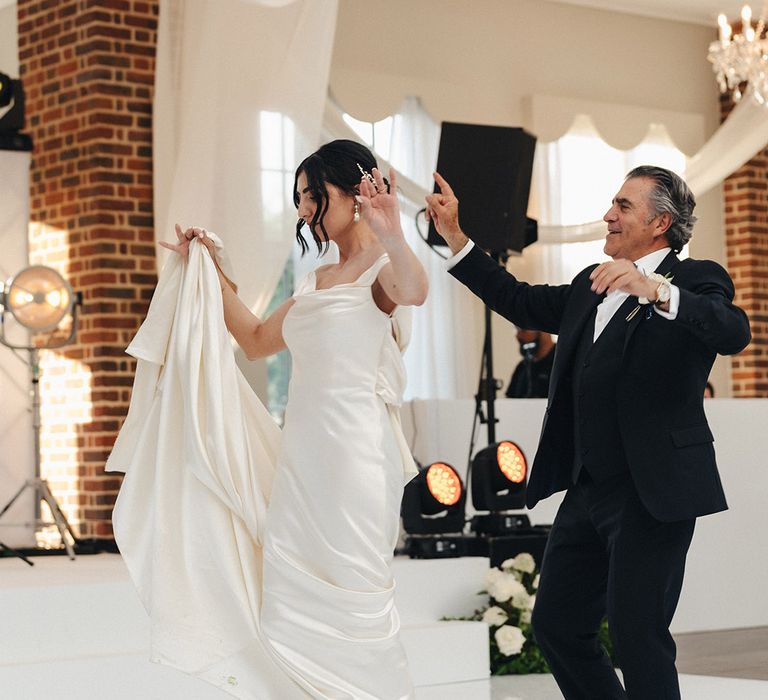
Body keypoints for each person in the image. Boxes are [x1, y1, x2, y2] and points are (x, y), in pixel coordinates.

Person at [113, 140, 428, 700]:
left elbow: (415, 290)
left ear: (354, 191)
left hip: (354, 460)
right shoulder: (316, 281)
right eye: (300, 198)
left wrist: (392, 234)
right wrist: (206, 268)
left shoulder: (381, 270)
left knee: (352, 594)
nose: (304, 210)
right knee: (286, 605)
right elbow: (257, 342)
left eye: (313, 195)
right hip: (301, 458)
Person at [425, 165, 750, 700]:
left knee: (636, 634)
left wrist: (655, 289)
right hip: (587, 489)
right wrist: (457, 241)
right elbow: (520, 300)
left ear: (661, 221)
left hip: (653, 491)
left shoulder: (695, 279)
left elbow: (732, 330)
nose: (608, 214)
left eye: (623, 206)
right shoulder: (590, 284)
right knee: (557, 627)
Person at [505, 328, 556, 398]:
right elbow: (510, 400)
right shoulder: (522, 366)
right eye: (517, 330)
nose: (518, 335)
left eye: (523, 330)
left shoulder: (561, 363)